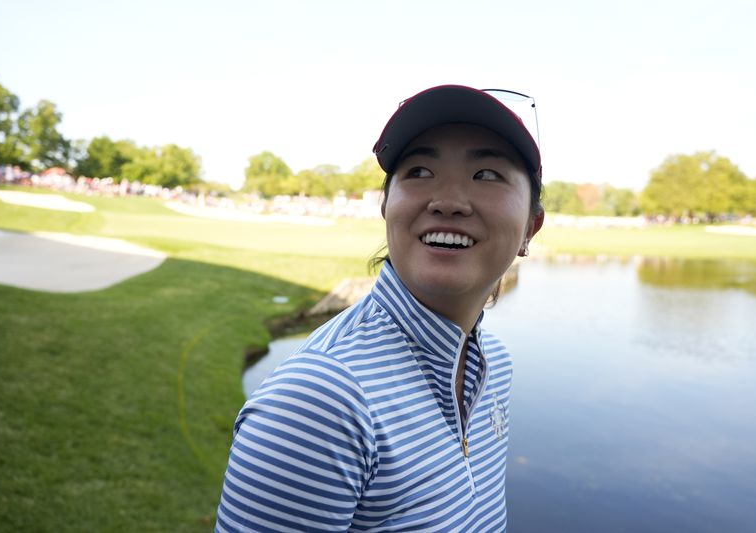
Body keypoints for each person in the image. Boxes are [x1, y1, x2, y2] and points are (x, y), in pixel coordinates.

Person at [215, 85, 544, 532]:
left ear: (531, 226)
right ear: (386, 205)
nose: (447, 201)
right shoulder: (321, 402)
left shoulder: (495, 365)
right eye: (420, 170)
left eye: (486, 174)